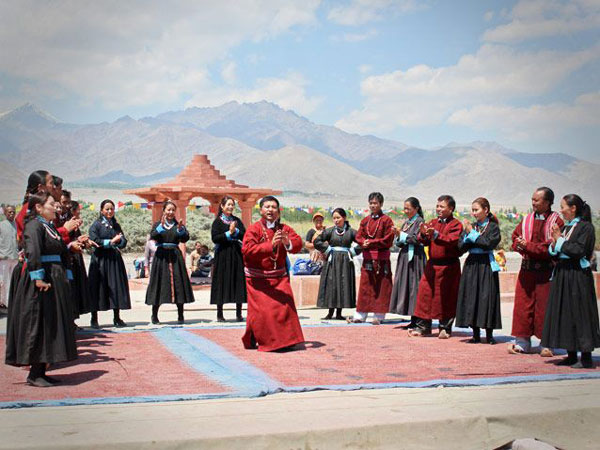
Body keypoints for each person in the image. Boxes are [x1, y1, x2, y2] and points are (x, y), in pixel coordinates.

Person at [5, 192, 77, 387]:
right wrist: (38, 279)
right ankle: (34, 373)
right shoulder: (34, 226)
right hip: (42, 281)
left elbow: (59, 250)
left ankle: (42, 371)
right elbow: (34, 252)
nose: (56, 207)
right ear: (38, 207)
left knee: (50, 324)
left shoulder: (49, 227)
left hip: (54, 278)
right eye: (52, 204)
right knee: (39, 323)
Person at [542, 194, 600, 368]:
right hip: (563, 274)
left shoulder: (586, 228)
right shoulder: (567, 228)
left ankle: (586, 356)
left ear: (573, 208)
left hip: (577, 277)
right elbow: (558, 250)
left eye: (563, 207)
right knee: (565, 312)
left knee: (580, 312)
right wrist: (554, 244)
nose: (561, 211)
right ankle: (571, 354)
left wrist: (559, 240)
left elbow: (579, 250)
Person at [241, 196, 304, 351]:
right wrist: (270, 245)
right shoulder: (253, 229)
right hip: (259, 280)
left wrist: (287, 242)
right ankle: (271, 342)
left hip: (279, 277)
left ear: (278, 210)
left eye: (274, 207)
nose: (270, 210)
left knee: (285, 307)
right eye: (267, 207)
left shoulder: (284, 229)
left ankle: (288, 341)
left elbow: (298, 243)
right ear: (261, 210)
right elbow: (247, 250)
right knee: (265, 312)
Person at [509, 187, 564, 355]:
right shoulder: (526, 220)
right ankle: (522, 342)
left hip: (545, 272)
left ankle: (547, 343)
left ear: (547, 202)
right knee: (522, 307)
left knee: (544, 307)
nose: (533, 203)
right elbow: (515, 237)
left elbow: (550, 247)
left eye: (537, 200)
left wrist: (529, 246)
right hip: (527, 271)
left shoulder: (557, 222)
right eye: (532, 199)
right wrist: (519, 244)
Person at [410, 195, 463, 338]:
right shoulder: (432, 222)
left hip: (448, 267)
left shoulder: (456, 225)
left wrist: (436, 234)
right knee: (425, 295)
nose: (438, 209)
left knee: (445, 298)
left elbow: (451, 240)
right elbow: (424, 241)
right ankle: (423, 327)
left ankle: (445, 328)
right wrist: (423, 234)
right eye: (437, 206)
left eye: (442, 207)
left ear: (451, 209)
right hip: (432, 266)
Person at [455, 198, 502, 344]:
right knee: (471, 297)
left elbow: (488, 244)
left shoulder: (493, 227)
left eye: (476, 210)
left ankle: (489, 335)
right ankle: (475, 334)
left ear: (486, 210)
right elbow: (459, 249)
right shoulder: (471, 227)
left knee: (487, 297)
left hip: (486, 265)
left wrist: (472, 235)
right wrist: (468, 239)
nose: (473, 213)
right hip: (471, 264)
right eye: (472, 210)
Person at [348, 192, 395, 325]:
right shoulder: (365, 221)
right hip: (368, 259)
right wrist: (363, 242)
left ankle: (379, 315)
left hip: (382, 259)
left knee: (381, 285)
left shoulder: (387, 220)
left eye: (375, 203)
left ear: (381, 204)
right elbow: (358, 236)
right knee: (365, 286)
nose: (373, 205)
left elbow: (389, 239)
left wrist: (372, 243)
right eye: (371, 203)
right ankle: (360, 314)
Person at [145, 200, 195, 324]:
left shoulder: (178, 225)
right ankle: (154, 315)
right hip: (161, 256)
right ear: (164, 211)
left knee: (178, 283)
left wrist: (181, 231)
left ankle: (180, 314)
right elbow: (153, 236)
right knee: (159, 284)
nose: (171, 212)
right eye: (168, 209)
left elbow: (185, 238)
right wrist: (160, 228)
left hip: (175, 256)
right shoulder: (158, 224)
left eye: (173, 210)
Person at [88, 199, 131, 328]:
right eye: (107, 209)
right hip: (100, 261)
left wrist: (120, 241)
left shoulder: (116, 225)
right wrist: (112, 241)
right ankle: (94, 319)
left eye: (111, 209)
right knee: (97, 287)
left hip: (114, 260)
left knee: (115, 287)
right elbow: (94, 240)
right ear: (101, 210)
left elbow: (123, 241)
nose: (109, 211)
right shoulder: (96, 225)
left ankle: (117, 318)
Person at [314, 208, 361, 320]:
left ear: (344, 218)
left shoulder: (351, 232)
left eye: (338, 218)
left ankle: (339, 313)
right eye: (334, 218)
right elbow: (317, 241)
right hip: (332, 261)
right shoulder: (329, 231)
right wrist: (327, 249)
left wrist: (352, 252)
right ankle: (330, 313)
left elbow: (363, 242)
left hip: (345, 261)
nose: (336, 220)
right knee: (332, 284)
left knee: (343, 284)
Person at [388, 197, 427, 329]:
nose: (405, 211)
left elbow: (418, 239)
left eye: (408, 209)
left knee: (415, 286)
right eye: (404, 208)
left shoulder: (420, 222)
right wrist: (398, 236)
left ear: (416, 208)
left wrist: (402, 235)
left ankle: (418, 319)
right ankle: (412, 318)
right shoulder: (407, 222)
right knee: (407, 286)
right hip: (405, 256)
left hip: (415, 258)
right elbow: (400, 241)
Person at [211, 196, 247, 322]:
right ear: (222, 206)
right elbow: (215, 238)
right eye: (228, 205)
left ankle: (239, 313)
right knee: (221, 281)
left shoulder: (237, 220)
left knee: (238, 280)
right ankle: (220, 313)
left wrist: (235, 230)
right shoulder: (217, 222)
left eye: (232, 205)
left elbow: (244, 235)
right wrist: (228, 233)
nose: (231, 207)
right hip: (222, 254)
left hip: (236, 254)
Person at [67, 201, 94, 325]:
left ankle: (73, 320)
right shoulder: (66, 225)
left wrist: (84, 242)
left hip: (77, 260)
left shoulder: (75, 226)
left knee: (77, 289)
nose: (79, 212)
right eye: (77, 210)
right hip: (69, 260)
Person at [0, 205, 18, 310]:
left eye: (13, 212)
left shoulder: (16, 224)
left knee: (12, 280)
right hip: (4, 257)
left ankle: (9, 301)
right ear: (5, 213)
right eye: (9, 212)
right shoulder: (1, 225)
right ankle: (4, 302)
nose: (11, 214)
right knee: (3, 281)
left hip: (14, 257)